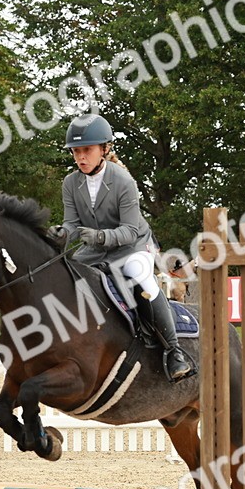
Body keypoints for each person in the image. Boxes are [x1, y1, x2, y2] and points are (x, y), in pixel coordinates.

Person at [49, 114, 194, 382]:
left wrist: (100, 237)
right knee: (66, 275)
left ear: (104, 149)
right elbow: (71, 223)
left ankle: (174, 352)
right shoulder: (70, 183)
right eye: (76, 151)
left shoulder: (123, 182)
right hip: (95, 248)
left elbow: (129, 231)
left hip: (133, 246)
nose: (80, 157)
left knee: (141, 277)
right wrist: (59, 234)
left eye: (87, 150)